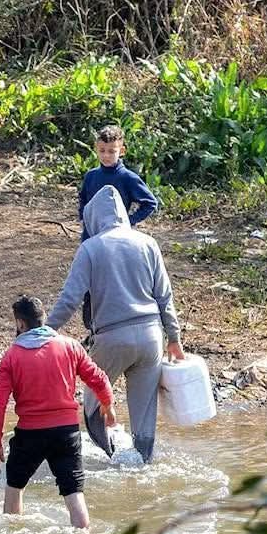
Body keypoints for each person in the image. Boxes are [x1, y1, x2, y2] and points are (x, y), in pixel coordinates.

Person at [47, 185, 185, 464]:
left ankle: (108, 458)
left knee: (93, 403)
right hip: (150, 338)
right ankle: (142, 464)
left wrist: (45, 331)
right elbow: (164, 296)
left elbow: (70, 299)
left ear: (94, 218)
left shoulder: (90, 248)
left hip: (111, 339)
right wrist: (174, 337)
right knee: (144, 414)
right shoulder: (148, 243)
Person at [0, 296, 116, 529]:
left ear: (20, 324)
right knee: (74, 492)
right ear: (43, 319)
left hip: (30, 435)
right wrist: (108, 405)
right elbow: (98, 378)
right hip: (66, 433)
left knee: (14, 487)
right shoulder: (70, 346)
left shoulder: (12, 356)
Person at [78, 125, 159, 330]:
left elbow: (150, 203)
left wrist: (128, 222)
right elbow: (83, 200)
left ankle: (111, 329)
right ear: (96, 149)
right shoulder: (91, 176)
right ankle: (92, 330)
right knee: (89, 284)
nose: (106, 156)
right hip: (91, 239)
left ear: (121, 150)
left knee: (112, 284)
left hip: (117, 242)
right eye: (102, 151)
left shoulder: (127, 177)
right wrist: (85, 219)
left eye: (112, 151)